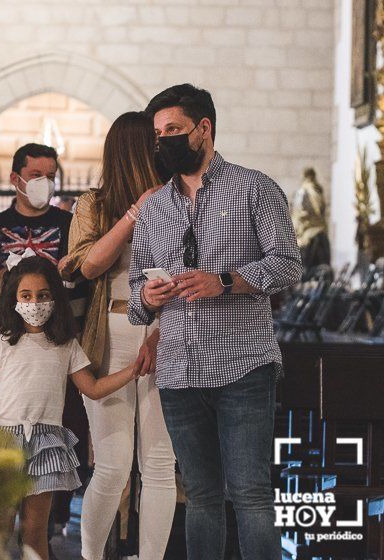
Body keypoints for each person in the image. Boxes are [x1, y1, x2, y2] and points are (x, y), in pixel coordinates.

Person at [129, 84, 302, 559]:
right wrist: (147, 293)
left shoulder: (254, 187)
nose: (164, 141)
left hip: (242, 367)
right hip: (179, 372)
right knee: (201, 498)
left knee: (249, 495)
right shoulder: (154, 208)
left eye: (174, 130)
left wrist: (224, 280)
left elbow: (288, 264)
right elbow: (135, 300)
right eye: (159, 133)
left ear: (204, 130)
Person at [0, 255, 146, 560]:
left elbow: (91, 388)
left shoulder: (66, 345)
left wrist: (132, 371)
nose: (35, 303)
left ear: (54, 298)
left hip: (47, 442)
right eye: (26, 296)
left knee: (36, 530)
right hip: (4, 441)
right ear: (13, 298)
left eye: (43, 295)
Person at [60, 111, 176, 560]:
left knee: (160, 463)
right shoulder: (95, 203)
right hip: (112, 328)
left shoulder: (179, 198)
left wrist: (162, 334)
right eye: (156, 139)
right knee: (112, 463)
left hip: (168, 328)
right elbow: (87, 265)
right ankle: (91, 556)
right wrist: (133, 213)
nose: (163, 146)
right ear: (134, 147)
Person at [0, 143, 73, 424]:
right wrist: (48, 283)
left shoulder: (69, 224)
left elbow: (76, 280)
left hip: (53, 343)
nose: (44, 183)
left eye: (50, 176)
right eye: (36, 174)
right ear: (16, 179)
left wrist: (8, 278)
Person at [291, 167, 330, 271]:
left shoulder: (302, 192)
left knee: (305, 272)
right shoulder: (318, 191)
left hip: (308, 236)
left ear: (304, 176)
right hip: (320, 234)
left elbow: (298, 213)